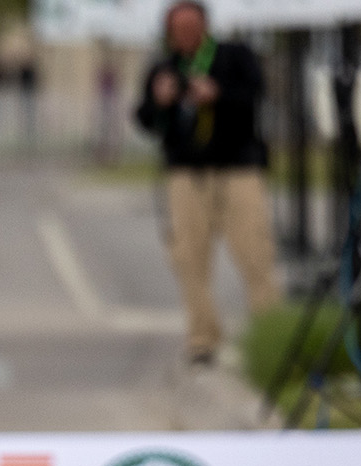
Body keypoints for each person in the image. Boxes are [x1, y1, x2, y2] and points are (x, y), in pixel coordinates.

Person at [134, 0, 277, 367]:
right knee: (188, 258)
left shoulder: (234, 57)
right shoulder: (164, 68)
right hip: (186, 173)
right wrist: (159, 100)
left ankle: (271, 333)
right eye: (177, 30)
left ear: (204, 27)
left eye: (190, 28)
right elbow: (145, 120)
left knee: (255, 251)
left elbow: (255, 95)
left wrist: (218, 94)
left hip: (237, 168)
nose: (184, 36)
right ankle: (202, 337)